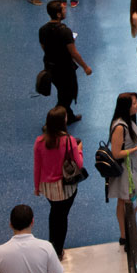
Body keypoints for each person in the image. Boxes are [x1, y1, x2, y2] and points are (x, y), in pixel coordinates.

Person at [33, 106, 84, 260]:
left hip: (48, 188)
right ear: (63, 122)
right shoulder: (69, 141)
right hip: (65, 187)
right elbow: (79, 164)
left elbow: (37, 166)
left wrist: (37, 187)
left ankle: (52, 245)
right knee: (62, 217)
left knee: (54, 213)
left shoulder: (39, 141)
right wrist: (80, 149)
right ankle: (58, 250)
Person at [108, 93, 137, 251]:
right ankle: (128, 238)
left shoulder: (128, 121)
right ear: (126, 107)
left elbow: (132, 135)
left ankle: (126, 235)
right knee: (127, 203)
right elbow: (116, 153)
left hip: (131, 167)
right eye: (134, 103)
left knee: (126, 202)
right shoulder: (119, 127)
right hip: (125, 170)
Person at [39, 0, 93, 124]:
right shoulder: (65, 31)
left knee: (62, 92)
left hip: (50, 68)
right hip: (64, 69)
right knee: (67, 96)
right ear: (58, 14)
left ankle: (69, 116)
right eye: (63, 10)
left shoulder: (42, 30)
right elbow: (73, 53)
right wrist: (85, 67)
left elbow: (44, 47)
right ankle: (51, 123)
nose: (65, 11)